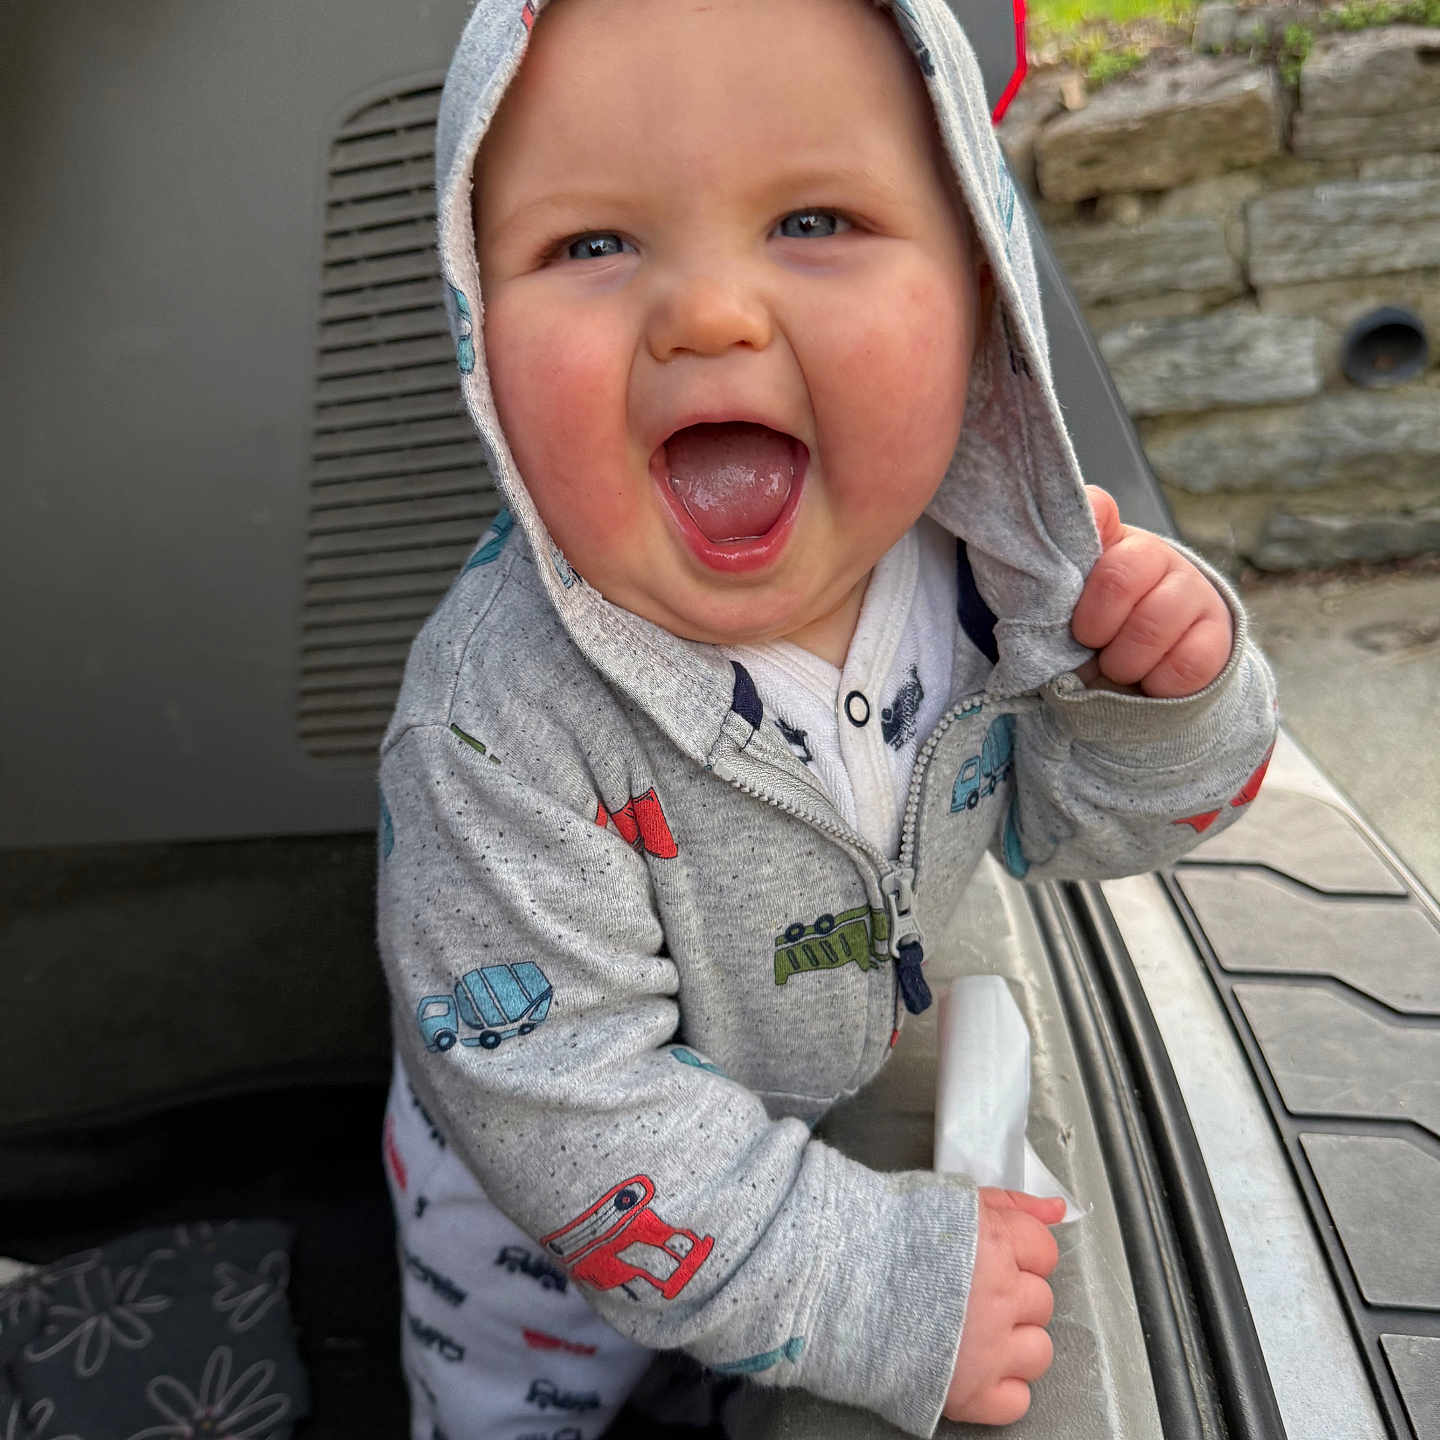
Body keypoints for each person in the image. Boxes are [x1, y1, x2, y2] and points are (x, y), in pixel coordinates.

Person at [376, 0, 1277, 1435]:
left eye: (814, 221)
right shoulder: (490, 726)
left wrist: (1155, 705)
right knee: (513, 1412)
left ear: (978, 291)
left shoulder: (993, 578)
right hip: (535, 1226)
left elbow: (1071, 834)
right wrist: (875, 1291)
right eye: (592, 244)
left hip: (812, 1129)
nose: (709, 314)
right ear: (477, 327)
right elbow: (564, 1103)